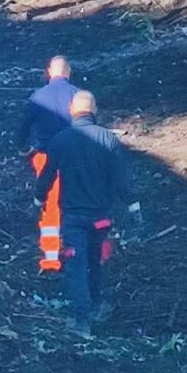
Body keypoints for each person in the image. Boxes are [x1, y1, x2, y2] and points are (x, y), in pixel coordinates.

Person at [34, 90, 142, 338]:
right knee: (95, 261)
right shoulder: (108, 139)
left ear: (72, 110)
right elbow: (122, 179)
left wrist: (39, 198)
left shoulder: (61, 140)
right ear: (94, 110)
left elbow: (48, 174)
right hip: (101, 217)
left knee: (76, 264)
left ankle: (81, 321)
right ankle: (97, 305)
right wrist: (133, 206)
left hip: (73, 216)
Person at [17, 56, 79, 272]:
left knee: (50, 205)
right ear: (68, 71)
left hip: (45, 156)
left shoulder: (38, 97)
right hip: (75, 156)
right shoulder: (78, 96)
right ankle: (78, 253)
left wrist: (25, 150)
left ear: (49, 72)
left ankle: (51, 258)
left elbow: (23, 129)